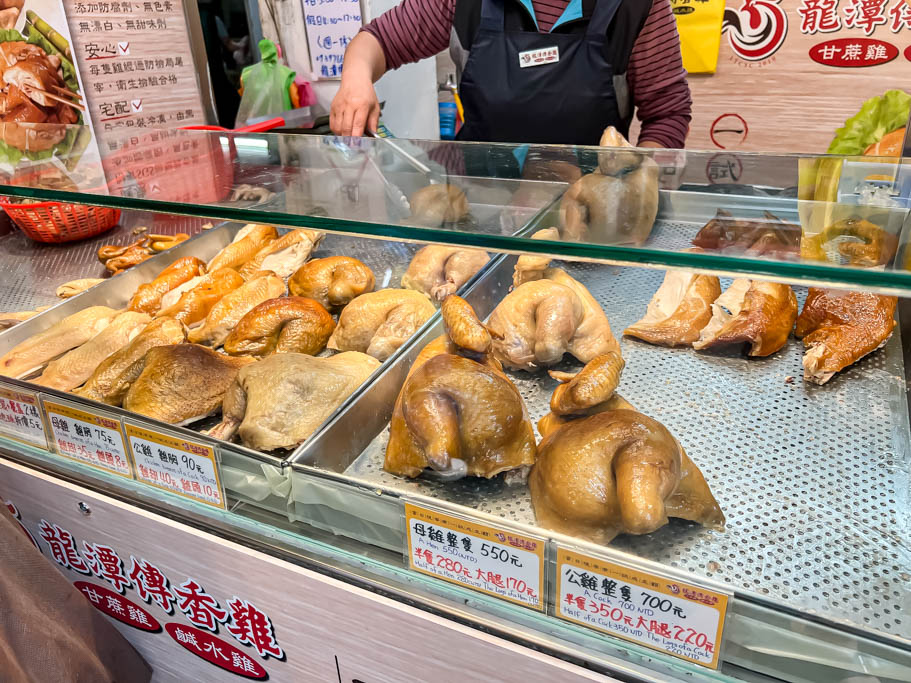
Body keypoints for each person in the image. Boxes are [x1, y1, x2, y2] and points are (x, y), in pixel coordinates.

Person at [330, 0, 691, 148]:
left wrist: (634, 186)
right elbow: (377, 41)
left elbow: (667, 114)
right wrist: (355, 80)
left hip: (590, 221)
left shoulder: (637, 8)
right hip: (481, 210)